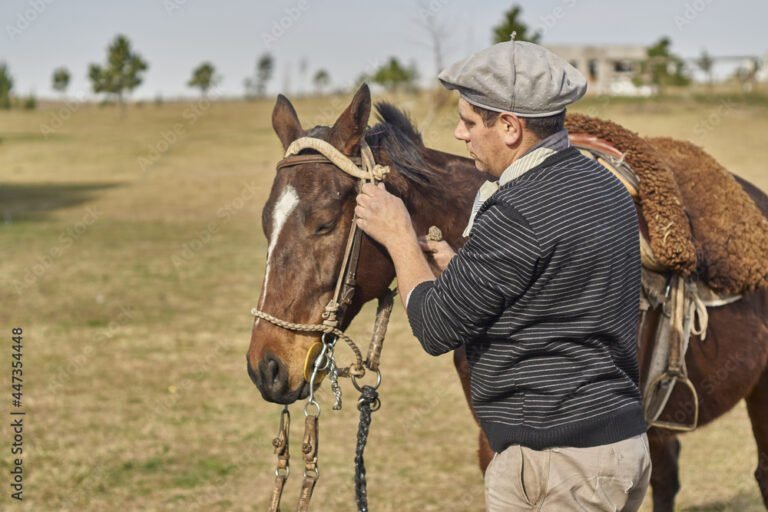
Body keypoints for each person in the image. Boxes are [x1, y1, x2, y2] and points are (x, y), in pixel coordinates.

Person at [354, 40, 651, 511]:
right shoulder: (602, 185)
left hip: (557, 463)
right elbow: (555, 288)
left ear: (510, 127)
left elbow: (435, 328)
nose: (458, 134)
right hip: (615, 447)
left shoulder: (517, 209)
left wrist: (399, 238)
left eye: (470, 122)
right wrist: (461, 268)